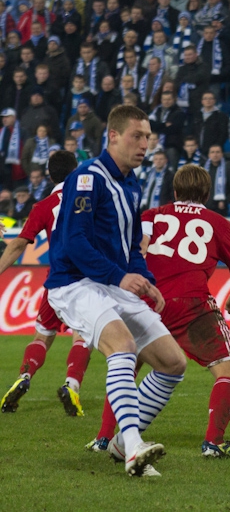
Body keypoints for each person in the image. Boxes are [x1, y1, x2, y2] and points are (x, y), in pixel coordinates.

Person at [44, 106, 187, 477]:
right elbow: (74, 242)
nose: (145, 144)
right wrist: (120, 277)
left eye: (148, 137)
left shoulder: (132, 182)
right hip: (74, 282)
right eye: (137, 136)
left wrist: (143, 279)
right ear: (113, 136)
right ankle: (134, 446)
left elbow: (132, 242)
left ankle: (123, 442)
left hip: (112, 281)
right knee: (121, 346)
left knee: (173, 363)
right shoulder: (88, 177)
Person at [88, 164, 230, 458]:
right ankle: (213, 443)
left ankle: (103, 438)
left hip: (149, 302)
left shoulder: (151, 216)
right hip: (193, 306)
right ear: (207, 193)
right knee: (228, 372)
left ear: (174, 191)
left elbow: (133, 250)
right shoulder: (219, 223)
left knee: (126, 367)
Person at [0, 151, 92, 417]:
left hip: (56, 281)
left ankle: (25, 375)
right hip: (87, 279)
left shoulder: (44, 205)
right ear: (76, 172)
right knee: (82, 335)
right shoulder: (92, 201)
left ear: (50, 176)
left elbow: (19, 243)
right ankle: (72, 384)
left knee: (43, 335)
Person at [203, 145, 230, 217]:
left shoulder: (228, 169)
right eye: (212, 152)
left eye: (217, 152)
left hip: (220, 209)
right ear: (209, 155)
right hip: (204, 207)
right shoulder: (203, 169)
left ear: (222, 154)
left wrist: (225, 201)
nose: (215, 154)